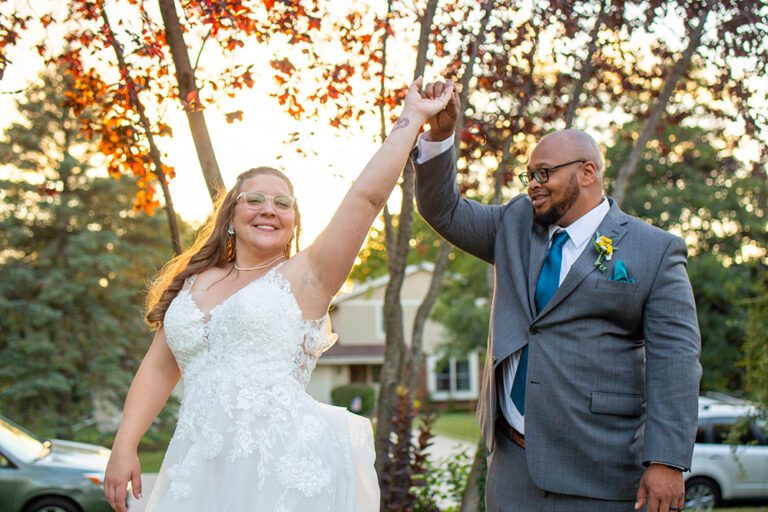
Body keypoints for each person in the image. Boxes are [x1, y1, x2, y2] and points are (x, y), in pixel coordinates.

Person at [103, 77, 454, 512]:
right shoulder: (192, 283)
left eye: (282, 203)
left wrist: (412, 118)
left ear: (293, 221)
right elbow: (158, 368)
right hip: (196, 466)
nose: (268, 208)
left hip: (278, 471)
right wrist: (125, 443)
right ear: (230, 215)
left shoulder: (307, 276)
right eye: (254, 199)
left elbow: (365, 198)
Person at [413, 80, 702, 512]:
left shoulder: (655, 250)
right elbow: (444, 210)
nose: (533, 184)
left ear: (587, 172)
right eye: (529, 175)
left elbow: (675, 360)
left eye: (544, 173)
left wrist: (667, 460)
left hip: (600, 469)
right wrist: (439, 137)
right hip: (512, 470)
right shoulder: (513, 225)